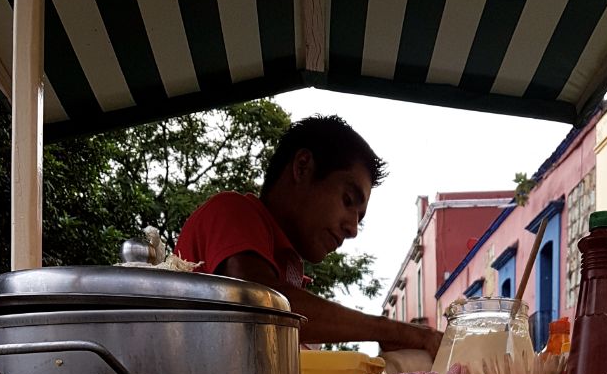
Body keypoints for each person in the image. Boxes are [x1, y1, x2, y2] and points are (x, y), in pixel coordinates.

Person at [175, 115, 441, 357]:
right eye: (348, 200)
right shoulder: (231, 210)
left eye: (360, 218)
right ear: (302, 167)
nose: (353, 228)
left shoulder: (286, 266)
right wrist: (394, 331)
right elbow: (257, 303)